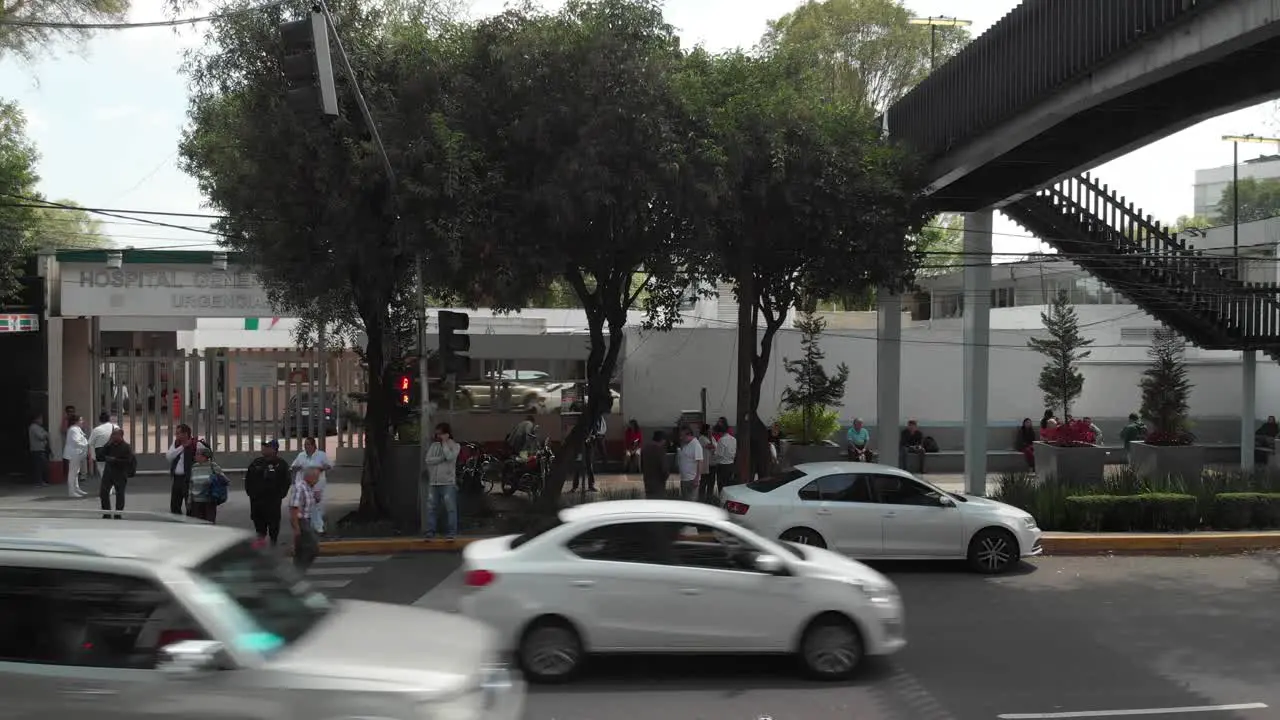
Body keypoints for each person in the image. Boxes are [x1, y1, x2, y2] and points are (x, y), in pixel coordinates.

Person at [244, 439, 292, 546]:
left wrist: (280, 494)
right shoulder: (256, 463)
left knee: (273, 525)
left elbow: (286, 481)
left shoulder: (281, 464)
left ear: (274, 449)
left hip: (273, 502)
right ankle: (261, 546)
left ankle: (273, 545)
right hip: (257, 502)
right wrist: (252, 494)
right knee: (259, 527)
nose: (264, 449)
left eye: (267, 447)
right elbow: (248, 480)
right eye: (263, 447)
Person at [421, 422, 461, 540]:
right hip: (434, 482)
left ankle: (451, 532)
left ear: (447, 434)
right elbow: (428, 460)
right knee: (432, 508)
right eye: (437, 434)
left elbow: (450, 457)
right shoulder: (434, 446)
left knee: (451, 508)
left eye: (441, 434)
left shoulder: (455, 446)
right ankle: (430, 532)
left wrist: (444, 444)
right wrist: (440, 459)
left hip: (448, 482)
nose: (438, 436)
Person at [290, 437, 332, 534]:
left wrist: (320, 468)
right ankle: (306, 526)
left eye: (308, 444)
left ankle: (319, 527)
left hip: (317, 484)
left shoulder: (321, 455)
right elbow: (294, 466)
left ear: (313, 445)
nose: (306, 446)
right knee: (306, 505)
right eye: (305, 444)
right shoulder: (301, 455)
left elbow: (329, 465)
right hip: (304, 484)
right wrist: (299, 468)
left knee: (317, 505)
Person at [98, 427, 135, 519]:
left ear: (120, 436)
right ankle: (106, 512)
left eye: (115, 434)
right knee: (103, 492)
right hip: (108, 472)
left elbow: (129, 461)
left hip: (120, 473)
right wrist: (107, 444)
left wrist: (115, 460)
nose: (113, 436)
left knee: (120, 494)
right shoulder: (109, 445)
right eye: (112, 435)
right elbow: (100, 455)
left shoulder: (126, 447)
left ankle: (118, 513)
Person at [290, 467, 322, 571]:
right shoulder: (300, 487)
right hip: (301, 521)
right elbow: (294, 508)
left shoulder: (309, 488)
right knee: (312, 547)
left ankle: (296, 572)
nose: (318, 480)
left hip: (306, 520)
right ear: (309, 477)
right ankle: (299, 571)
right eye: (316, 477)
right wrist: (296, 528)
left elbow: (309, 504)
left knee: (301, 549)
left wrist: (317, 497)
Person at [188, 440, 225, 523]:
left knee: (209, 522)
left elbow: (223, 479)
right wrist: (189, 500)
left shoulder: (213, 466)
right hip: (196, 501)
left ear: (204, 456)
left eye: (197, 454)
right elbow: (191, 484)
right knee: (197, 524)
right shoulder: (194, 467)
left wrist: (212, 480)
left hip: (209, 500)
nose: (195, 456)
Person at [165, 423, 196, 515]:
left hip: (188, 479)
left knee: (189, 504)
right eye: (176, 433)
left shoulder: (195, 444)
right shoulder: (176, 444)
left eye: (179, 433)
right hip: (177, 478)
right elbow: (169, 456)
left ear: (186, 434)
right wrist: (182, 447)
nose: (176, 435)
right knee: (174, 505)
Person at [61, 416, 89, 498]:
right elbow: (76, 441)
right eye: (81, 420)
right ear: (76, 421)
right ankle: (71, 491)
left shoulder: (77, 429)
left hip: (77, 453)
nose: (82, 421)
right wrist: (86, 444)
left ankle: (76, 489)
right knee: (72, 473)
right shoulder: (73, 429)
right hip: (74, 453)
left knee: (76, 472)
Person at [87, 411, 117, 481]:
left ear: (100, 420)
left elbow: (91, 443)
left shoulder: (96, 430)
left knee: (102, 470)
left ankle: (108, 487)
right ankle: (113, 487)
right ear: (109, 419)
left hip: (100, 452)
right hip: (114, 451)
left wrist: (91, 456)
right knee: (113, 469)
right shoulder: (116, 427)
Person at [640, 430, 670, 498]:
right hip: (658, 482)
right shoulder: (660, 450)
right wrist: (665, 477)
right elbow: (664, 468)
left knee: (649, 500)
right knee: (658, 503)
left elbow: (641, 464)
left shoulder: (645, 449)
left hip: (647, 480)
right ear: (662, 440)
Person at [676, 425, 703, 500]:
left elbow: (700, 462)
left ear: (689, 435)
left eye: (682, 436)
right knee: (685, 501)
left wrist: (697, 478)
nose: (681, 438)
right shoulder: (685, 445)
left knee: (692, 501)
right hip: (684, 478)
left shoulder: (696, 445)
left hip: (692, 479)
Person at [710, 420, 738, 492]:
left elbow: (720, 454)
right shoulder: (733, 439)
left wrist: (714, 453)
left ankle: (722, 501)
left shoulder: (721, 440)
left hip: (722, 466)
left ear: (720, 432)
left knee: (722, 486)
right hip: (731, 464)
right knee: (730, 486)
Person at [28, 413, 49, 487]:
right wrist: (45, 434)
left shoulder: (39, 427)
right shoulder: (34, 427)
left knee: (42, 466)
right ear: (36, 419)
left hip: (41, 449)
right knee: (39, 466)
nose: (41, 420)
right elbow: (41, 436)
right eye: (40, 419)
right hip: (37, 449)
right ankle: (38, 482)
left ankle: (41, 481)